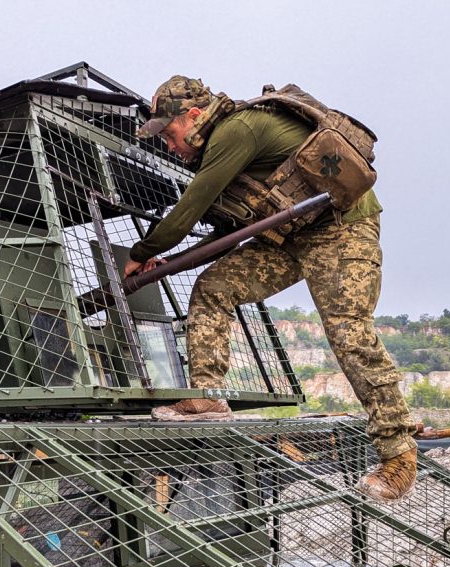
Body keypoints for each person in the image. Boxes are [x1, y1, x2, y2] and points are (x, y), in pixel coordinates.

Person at [127, 76, 417, 502]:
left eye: (169, 134)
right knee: (214, 287)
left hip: (341, 229)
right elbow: (228, 231)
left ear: (192, 118)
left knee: (348, 331)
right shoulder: (219, 149)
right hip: (290, 238)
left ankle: (399, 455)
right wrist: (172, 260)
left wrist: (143, 251)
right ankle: (207, 396)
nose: (169, 146)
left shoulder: (235, 131)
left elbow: (190, 207)